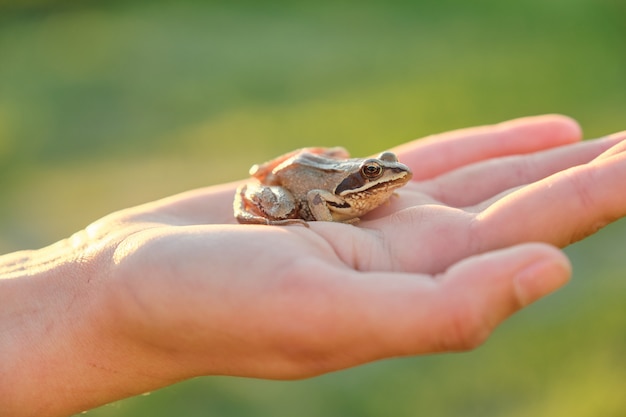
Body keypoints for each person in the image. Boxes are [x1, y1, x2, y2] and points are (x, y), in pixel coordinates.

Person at [1, 114, 625, 417]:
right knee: (282, 201)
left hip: (306, 169)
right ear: (364, 179)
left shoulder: (368, 184)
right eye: (378, 175)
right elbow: (323, 201)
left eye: (384, 170)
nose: (389, 179)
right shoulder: (337, 191)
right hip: (290, 192)